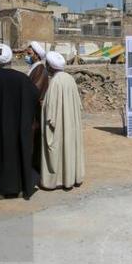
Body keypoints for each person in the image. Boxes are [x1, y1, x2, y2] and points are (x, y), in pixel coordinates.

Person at [0, 44, 39, 199]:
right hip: (18, 127)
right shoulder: (23, 79)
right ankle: (20, 188)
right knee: (18, 154)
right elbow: (34, 98)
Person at [40, 51, 85, 190]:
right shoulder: (69, 78)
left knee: (58, 150)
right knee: (70, 148)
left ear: (50, 66)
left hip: (59, 125)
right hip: (70, 124)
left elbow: (50, 113)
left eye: (47, 64)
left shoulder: (55, 82)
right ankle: (72, 177)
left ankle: (57, 180)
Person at [25, 41, 49, 172]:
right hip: (32, 111)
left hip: (35, 112)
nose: (27, 56)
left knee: (35, 139)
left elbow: (34, 91)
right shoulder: (34, 68)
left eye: (29, 53)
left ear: (36, 55)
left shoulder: (40, 69)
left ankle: (35, 166)